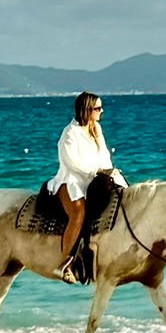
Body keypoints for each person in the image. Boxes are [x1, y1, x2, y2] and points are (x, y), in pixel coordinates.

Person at [47, 91, 126, 283]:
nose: (101, 111)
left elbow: (104, 156)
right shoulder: (70, 133)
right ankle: (66, 264)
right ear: (86, 110)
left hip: (94, 177)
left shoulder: (96, 128)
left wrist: (112, 174)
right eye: (98, 108)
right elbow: (72, 163)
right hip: (71, 179)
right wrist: (98, 171)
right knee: (78, 212)